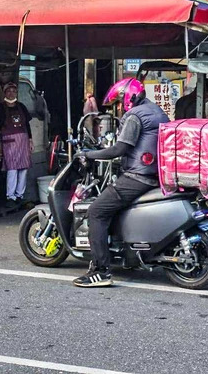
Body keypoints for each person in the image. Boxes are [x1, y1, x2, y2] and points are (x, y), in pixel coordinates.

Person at [73, 78, 169, 288]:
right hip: (156, 174)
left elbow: (119, 149)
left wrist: (89, 154)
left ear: (128, 97)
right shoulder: (156, 111)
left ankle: (101, 271)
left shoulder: (134, 116)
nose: (117, 107)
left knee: (96, 211)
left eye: (118, 102)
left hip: (138, 177)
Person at [0, 82, 33, 208]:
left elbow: (27, 125)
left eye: (14, 91)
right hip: (9, 142)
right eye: (9, 91)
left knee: (23, 168)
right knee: (12, 168)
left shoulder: (21, 107)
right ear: (5, 93)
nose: (11, 93)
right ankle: (11, 196)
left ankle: (20, 195)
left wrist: (30, 139)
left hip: (23, 141)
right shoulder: (0, 108)